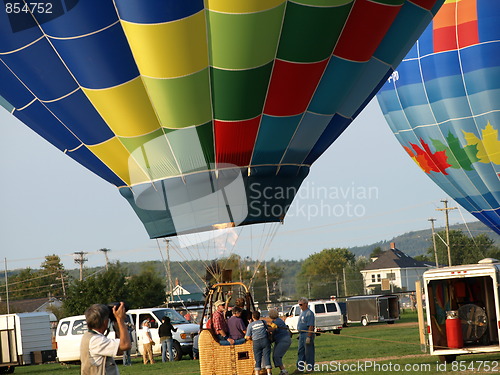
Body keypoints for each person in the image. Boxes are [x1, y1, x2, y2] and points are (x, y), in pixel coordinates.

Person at [80, 302, 131, 375]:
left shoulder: (89, 336)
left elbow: (120, 351)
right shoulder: (96, 340)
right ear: (105, 322)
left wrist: (116, 323)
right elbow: (126, 345)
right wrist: (120, 320)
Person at [245, 311, 272, 375]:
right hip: (265, 340)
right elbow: (267, 329)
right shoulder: (263, 322)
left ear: (252, 317)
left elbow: (248, 336)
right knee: (267, 357)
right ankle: (269, 372)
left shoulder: (250, 325)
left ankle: (257, 373)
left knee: (257, 358)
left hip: (256, 342)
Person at [268, 308, 291, 375]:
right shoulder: (277, 321)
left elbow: (272, 329)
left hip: (283, 340)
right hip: (281, 340)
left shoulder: (277, 322)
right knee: (275, 356)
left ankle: (284, 371)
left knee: (277, 355)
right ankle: (282, 371)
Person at [295, 298, 315, 373]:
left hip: (307, 334)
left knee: (308, 352)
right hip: (301, 335)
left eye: (301, 304)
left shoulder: (309, 313)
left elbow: (311, 326)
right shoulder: (302, 312)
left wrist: (309, 337)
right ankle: (300, 368)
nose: (300, 306)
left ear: (306, 304)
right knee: (301, 352)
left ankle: (310, 368)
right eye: (299, 305)